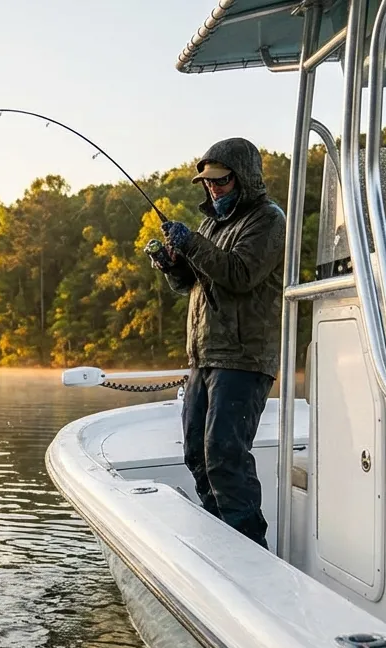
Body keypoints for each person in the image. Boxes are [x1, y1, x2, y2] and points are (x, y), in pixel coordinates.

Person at [149, 137, 286, 549]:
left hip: (244, 357)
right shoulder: (211, 225)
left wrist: (190, 242)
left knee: (225, 454)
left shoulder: (267, 219)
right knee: (196, 452)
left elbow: (241, 273)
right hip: (204, 355)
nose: (213, 189)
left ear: (243, 178)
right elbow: (193, 281)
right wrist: (174, 265)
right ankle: (223, 540)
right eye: (207, 183)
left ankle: (251, 551)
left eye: (221, 181)